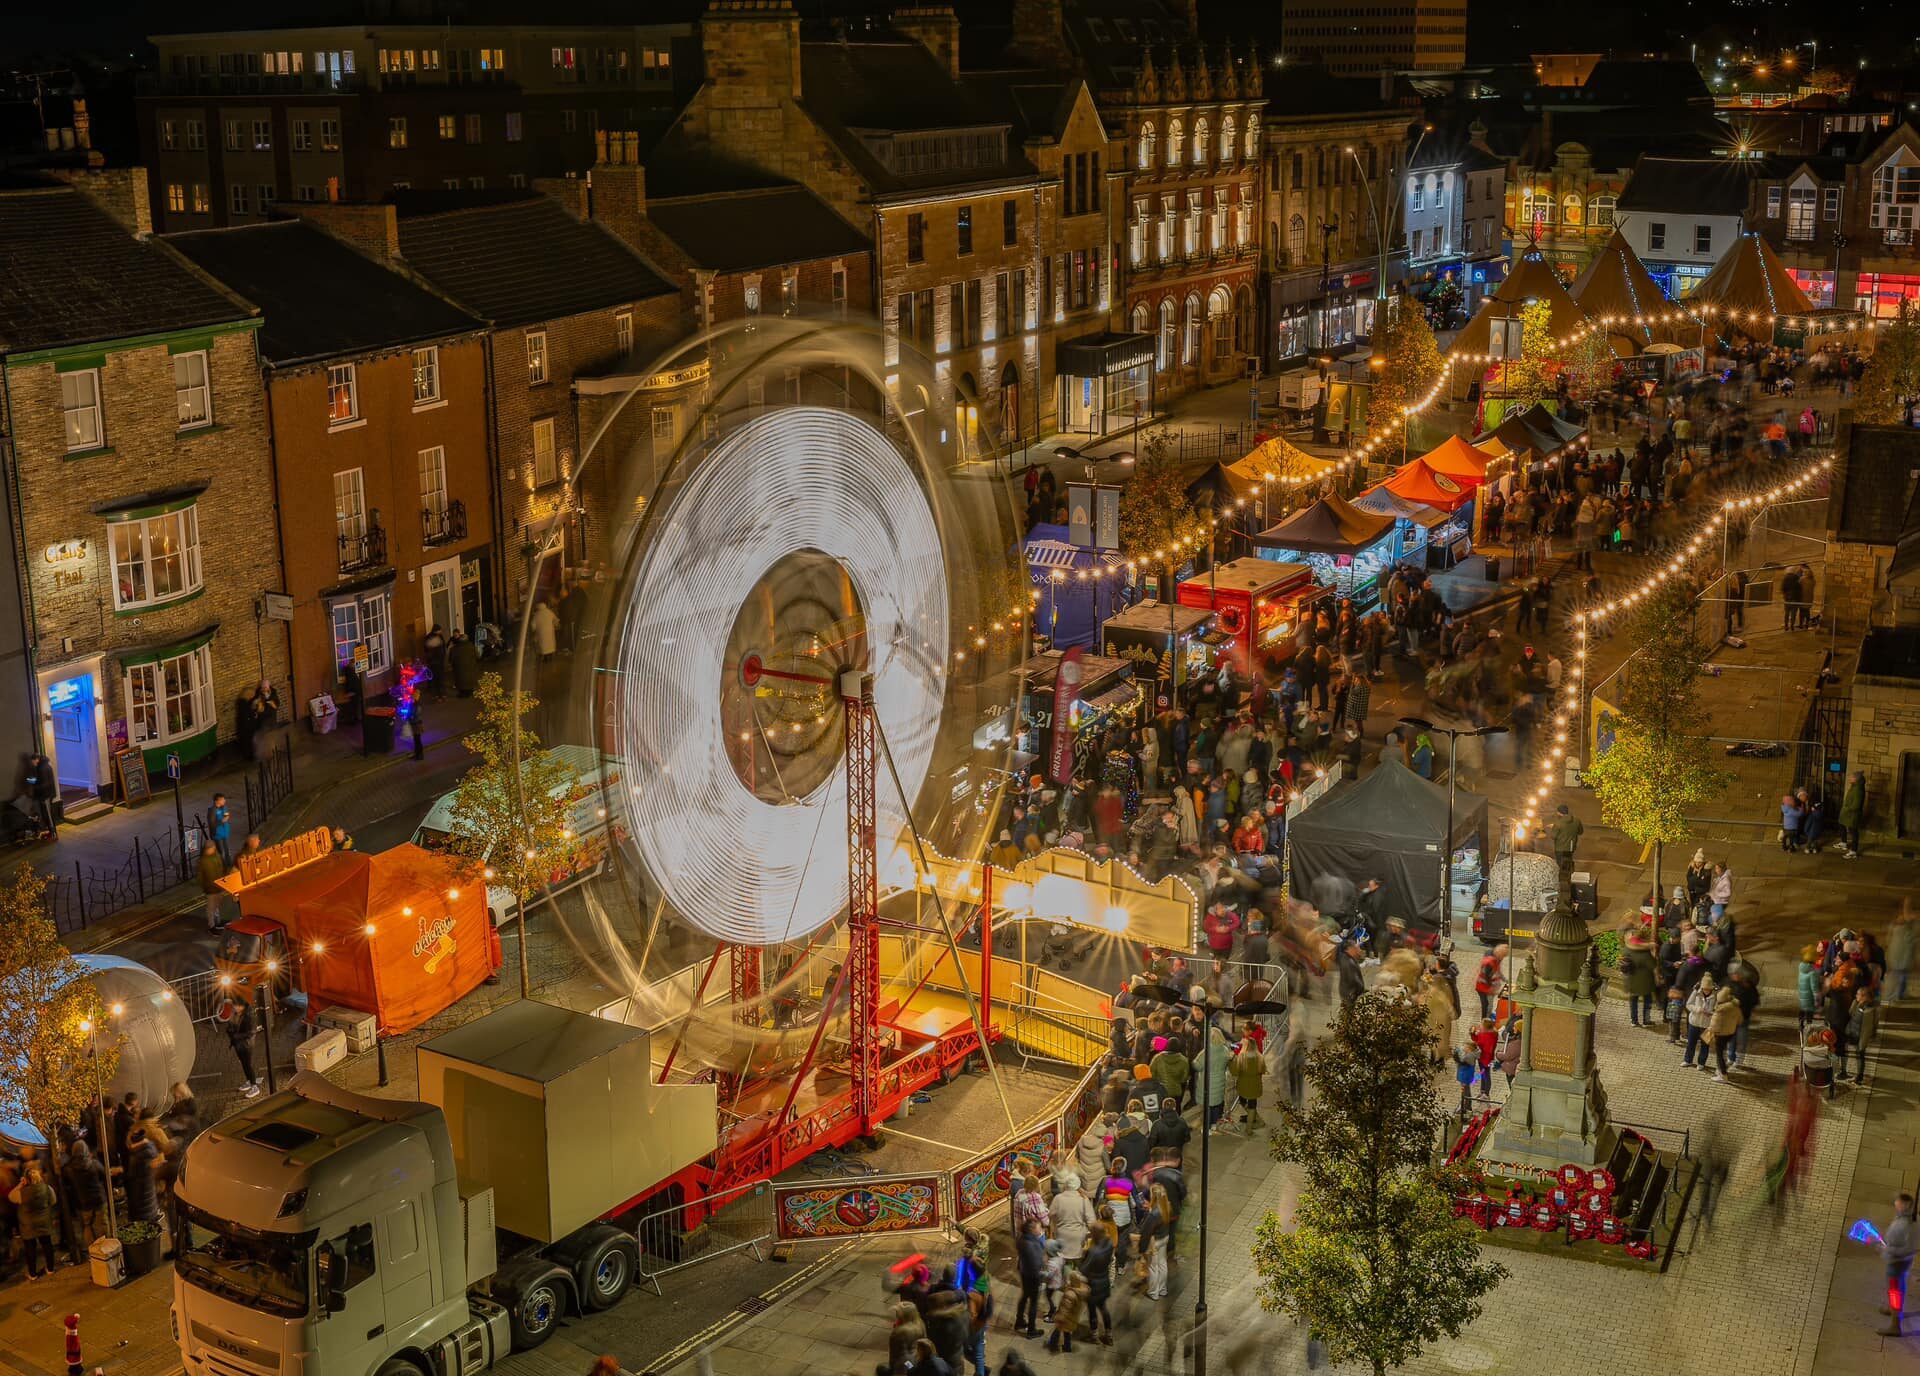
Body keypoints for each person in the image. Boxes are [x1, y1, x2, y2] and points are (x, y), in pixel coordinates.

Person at [11, 1163, 58, 1279]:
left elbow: (10, 1196)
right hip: (44, 1223)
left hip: (28, 1226)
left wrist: (20, 1185)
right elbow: (53, 1201)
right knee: (47, 1245)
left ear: (26, 1180)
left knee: (30, 1249)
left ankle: (33, 1274)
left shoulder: (21, 1193)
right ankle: (50, 1269)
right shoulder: (47, 1188)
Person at [1880, 1193, 1917, 1336]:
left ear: (1905, 1206)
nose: (1895, 1204)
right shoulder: (1909, 1219)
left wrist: (1886, 1249)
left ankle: (1895, 1325)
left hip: (1897, 1262)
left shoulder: (1906, 1224)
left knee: (1895, 1291)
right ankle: (1893, 1309)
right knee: (1897, 1287)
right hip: (1901, 1261)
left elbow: (1907, 1248)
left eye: (1898, 1202)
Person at [220, 995, 262, 1098]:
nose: (235, 1008)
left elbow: (251, 1032)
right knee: (243, 1064)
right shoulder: (236, 1013)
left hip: (246, 1045)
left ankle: (254, 1086)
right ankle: (249, 1081)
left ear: (243, 1006)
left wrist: (236, 1036)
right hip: (238, 1044)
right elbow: (231, 1024)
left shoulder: (249, 1016)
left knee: (247, 1065)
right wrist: (230, 1031)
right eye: (234, 1006)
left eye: (237, 1006)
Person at [1014, 1219, 1046, 1337]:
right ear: (1032, 1229)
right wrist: (1041, 1274)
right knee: (1033, 1302)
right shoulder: (1032, 1244)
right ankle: (1031, 1330)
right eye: (1038, 1227)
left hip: (1024, 1272)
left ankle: (1019, 1321)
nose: (1041, 1229)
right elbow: (1036, 1262)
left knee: (1024, 1296)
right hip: (1032, 1276)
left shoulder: (1022, 1239)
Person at [1620, 932, 1656, 1026]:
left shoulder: (1626, 950)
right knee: (1647, 1001)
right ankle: (1646, 1020)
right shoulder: (1645, 953)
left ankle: (1634, 1021)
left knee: (1633, 1001)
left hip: (1631, 981)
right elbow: (1653, 965)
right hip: (1644, 982)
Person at [22, 752, 57, 839]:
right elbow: (41, 780)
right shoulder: (44, 766)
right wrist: (31, 780)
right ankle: (51, 833)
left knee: (48, 815)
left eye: (33, 761)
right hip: (47, 794)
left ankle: (53, 834)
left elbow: (44, 784)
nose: (33, 764)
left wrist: (34, 786)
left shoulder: (42, 768)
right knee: (47, 814)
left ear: (36, 759)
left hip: (46, 795)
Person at [197, 842, 227, 932]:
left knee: (216, 906)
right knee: (211, 908)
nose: (213, 849)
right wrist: (205, 886)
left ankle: (217, 921)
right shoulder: (203, 861)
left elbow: (223, 868)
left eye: (213, 847)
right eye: (211, 848)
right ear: (207, 849)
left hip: (219, 886)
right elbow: (200, 877)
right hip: (210, 889)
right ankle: (212, 925)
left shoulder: (217, 856)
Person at [1838, 771, 1866, 859]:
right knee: (1841, 824)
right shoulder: (1854, 787)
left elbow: (1856, 805)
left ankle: (1853, 851)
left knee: (1854, 832)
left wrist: (1846, 809)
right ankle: (1843, 843)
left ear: (1856, 779)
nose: (1850, 778)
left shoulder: (1858, 790)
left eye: (1852, 777)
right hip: (1848, 814)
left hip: (1853, 815)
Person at [1890, 905, 1915, 1004]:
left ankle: (1899, 995)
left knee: (1901, 978)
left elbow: (1908, 944)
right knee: (1901, 978)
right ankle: (1898, 995)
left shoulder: (1902, 931)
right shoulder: (1900, 931)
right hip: (1900, 959)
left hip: (1901, 959)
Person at [1550, 804, 1583, 873]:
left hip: (1560, 848)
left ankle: (1562, 878)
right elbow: (1580, 832)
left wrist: (1553, 828)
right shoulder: (1577, 820)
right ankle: (1569, 874)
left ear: (1559, 812)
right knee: (1568, 861)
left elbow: (1553, 836)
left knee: (1560, 864)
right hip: (1571, 846)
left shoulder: (1558, 823)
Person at [530, 597, 560, 663]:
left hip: (541, 639)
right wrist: (555, 626)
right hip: (550, 638)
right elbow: (556, 621)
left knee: (540, 644)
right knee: (550, 645)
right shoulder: (549, 612)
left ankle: (544, 658)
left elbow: (532, 627)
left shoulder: (536, 615)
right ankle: (550, 657)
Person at [209, 792, 233, 867]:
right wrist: (221, 821)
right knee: (221, 852)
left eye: (224, 799)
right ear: (217, 801)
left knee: (227, 851)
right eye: (222, 800)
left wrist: (227, 816)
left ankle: (229, 865)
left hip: (225, 832)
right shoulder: (212, 810)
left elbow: (226, 814)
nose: (224, 801)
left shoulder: (224, 807)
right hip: (217, 834)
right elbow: (211, 824)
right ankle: (223, 866)